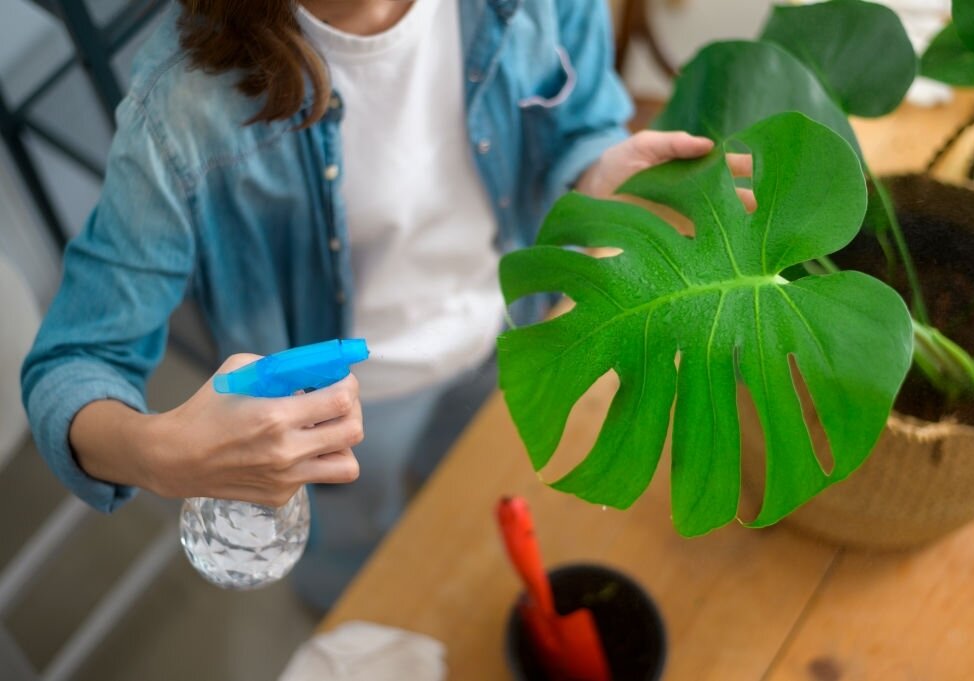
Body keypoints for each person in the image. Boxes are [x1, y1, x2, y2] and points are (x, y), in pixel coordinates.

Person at [20, 0, 742, 612]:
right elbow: (74, 362)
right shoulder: (185, 107)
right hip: (337, 423)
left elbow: (581, 123)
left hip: (509, 338)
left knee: (475, 553)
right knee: (363, 592)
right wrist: (157, 453)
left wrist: (596, 174)